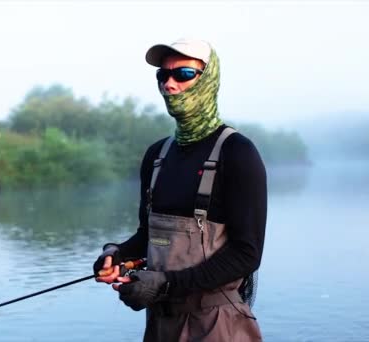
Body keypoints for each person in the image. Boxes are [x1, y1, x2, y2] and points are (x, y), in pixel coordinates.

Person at [93, 38, 267, 341]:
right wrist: (116, 254)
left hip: (217, 325)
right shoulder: (156, 155)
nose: (169, 85)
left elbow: (246, 254)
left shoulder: (238, 153)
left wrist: (164, 284)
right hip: (160, 325)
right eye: (163, 76)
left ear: (209, 79)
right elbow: (147, 235)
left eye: (183, 74)